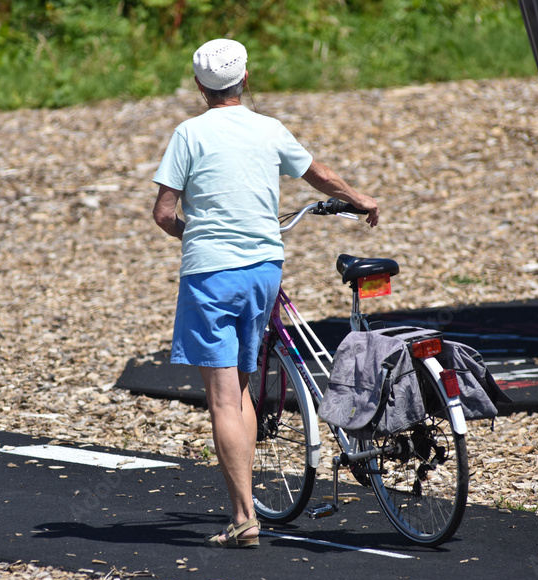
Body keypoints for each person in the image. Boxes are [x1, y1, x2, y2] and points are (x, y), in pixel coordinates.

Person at [152, 38, 379, 548]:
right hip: (264, 269)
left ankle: (243, 518)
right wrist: (358, 198)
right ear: (245, 79)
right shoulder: (268, 128)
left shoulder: (188, 134)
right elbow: (319, 174)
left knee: (222, 398)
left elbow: (164, 214)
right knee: (244, 386)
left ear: (198, 86)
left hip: (212, 274)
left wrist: (195, 232)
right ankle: (247, 510)